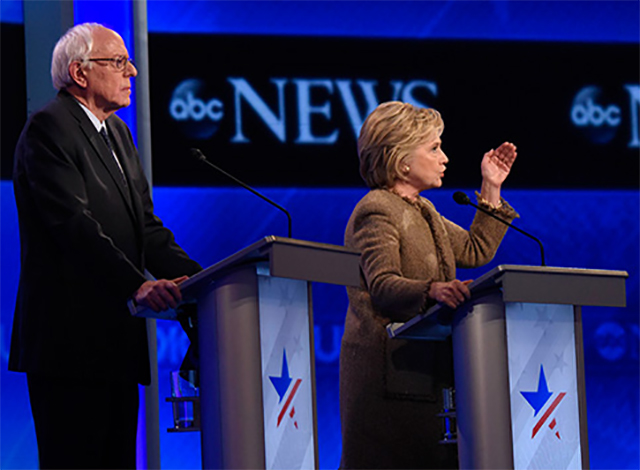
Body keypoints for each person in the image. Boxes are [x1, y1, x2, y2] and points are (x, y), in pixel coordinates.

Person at [9, 23, 202, 469]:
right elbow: (74, 225)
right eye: (118, 62)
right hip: (69, 347)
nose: (131, 71)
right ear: (80, 72)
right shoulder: (48, 129)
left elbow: (146, 229)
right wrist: (137, 286)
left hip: (115, 344)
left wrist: (202, 279)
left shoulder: (118, 134)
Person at [339, 101, 519, 469]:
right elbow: (383, 285)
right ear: (402, 159)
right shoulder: (376, 210)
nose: (445, 158)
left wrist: (491, 187)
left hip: (426, 377)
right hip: (388, 379)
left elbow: (475, 248)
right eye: (434, 148)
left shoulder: (424, 211)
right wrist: (432, 290)